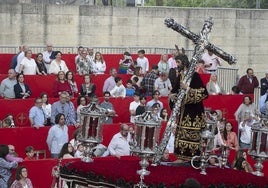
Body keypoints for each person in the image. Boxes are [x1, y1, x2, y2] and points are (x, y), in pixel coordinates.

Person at [172, 53, 208, 161]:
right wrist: (172, 96)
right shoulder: (180, 76)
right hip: (183, 112)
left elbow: (204, 93)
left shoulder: (194, 76)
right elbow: (174, 91)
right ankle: (181, 157)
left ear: (184, 62)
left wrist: (187, 88)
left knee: (192, 136)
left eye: (178, 62)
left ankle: (193, 159)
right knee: (181, 134)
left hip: (194, 113)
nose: (177, 64)